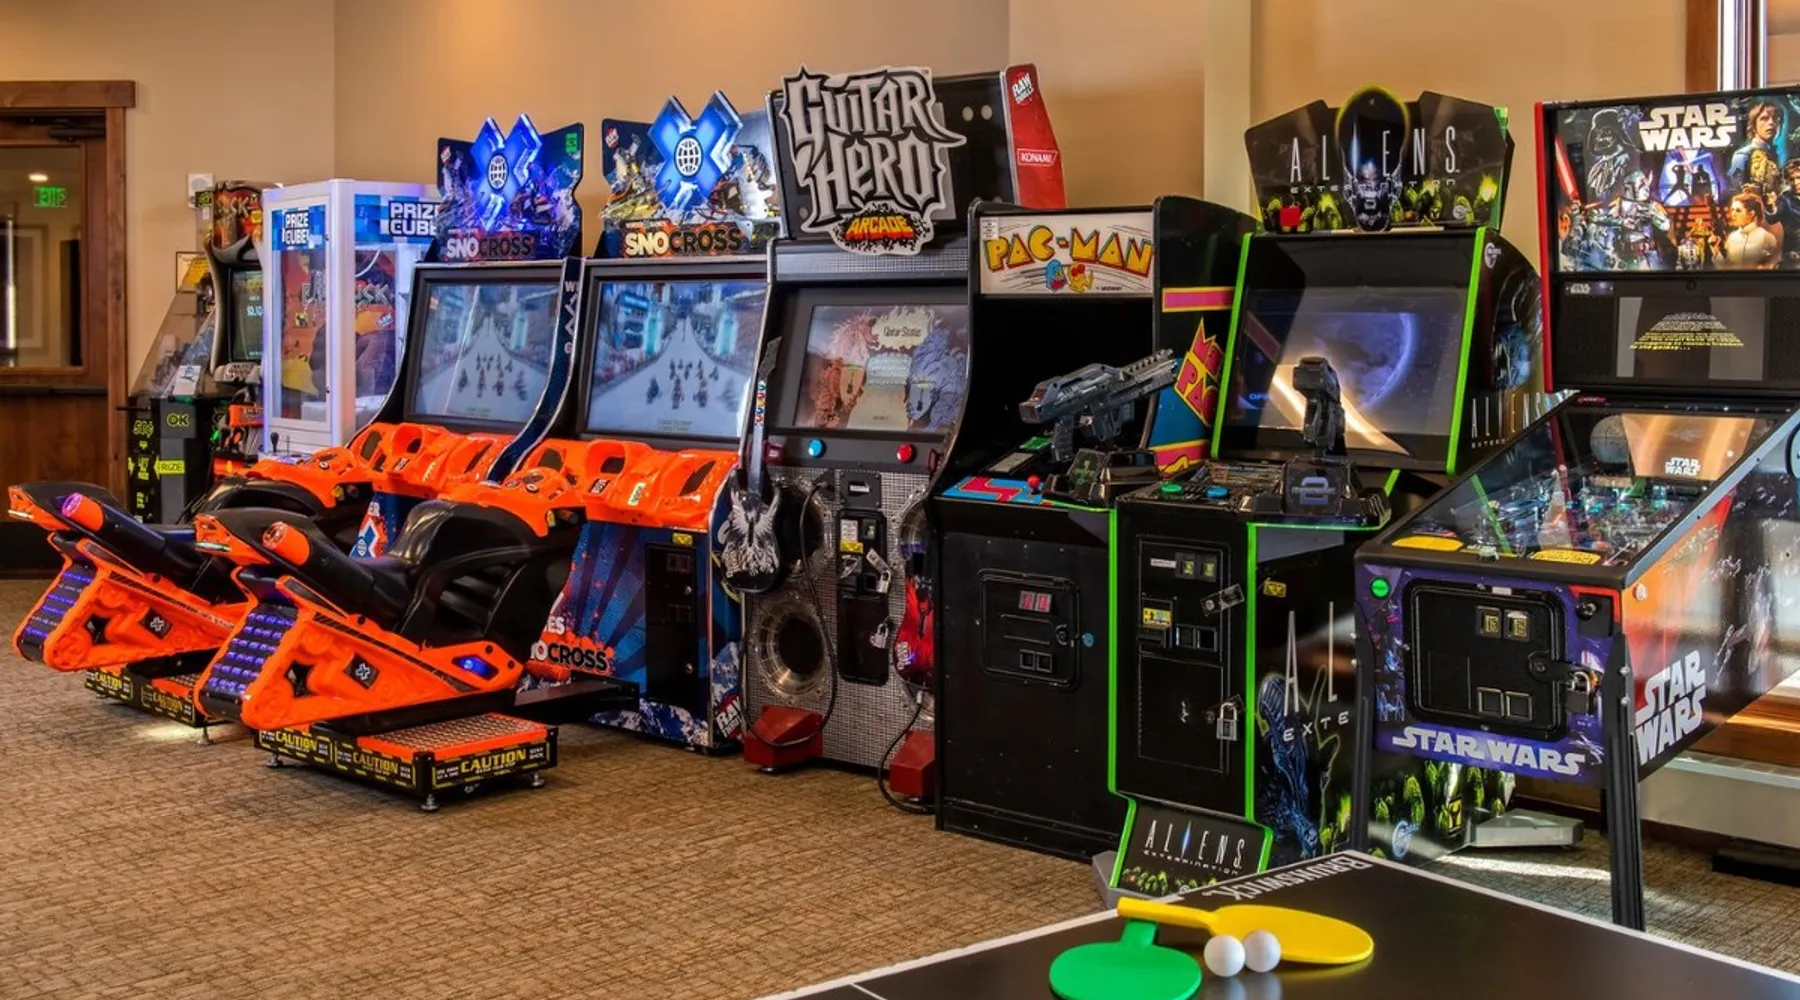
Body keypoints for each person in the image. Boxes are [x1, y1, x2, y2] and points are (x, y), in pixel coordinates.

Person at [1722, 191, 1780, 269]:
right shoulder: (1732, 237)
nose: (1733, 214)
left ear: (1751, 214)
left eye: (1738, 210)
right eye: (1732, 210)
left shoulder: (1766, 237)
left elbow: (1774, 265)